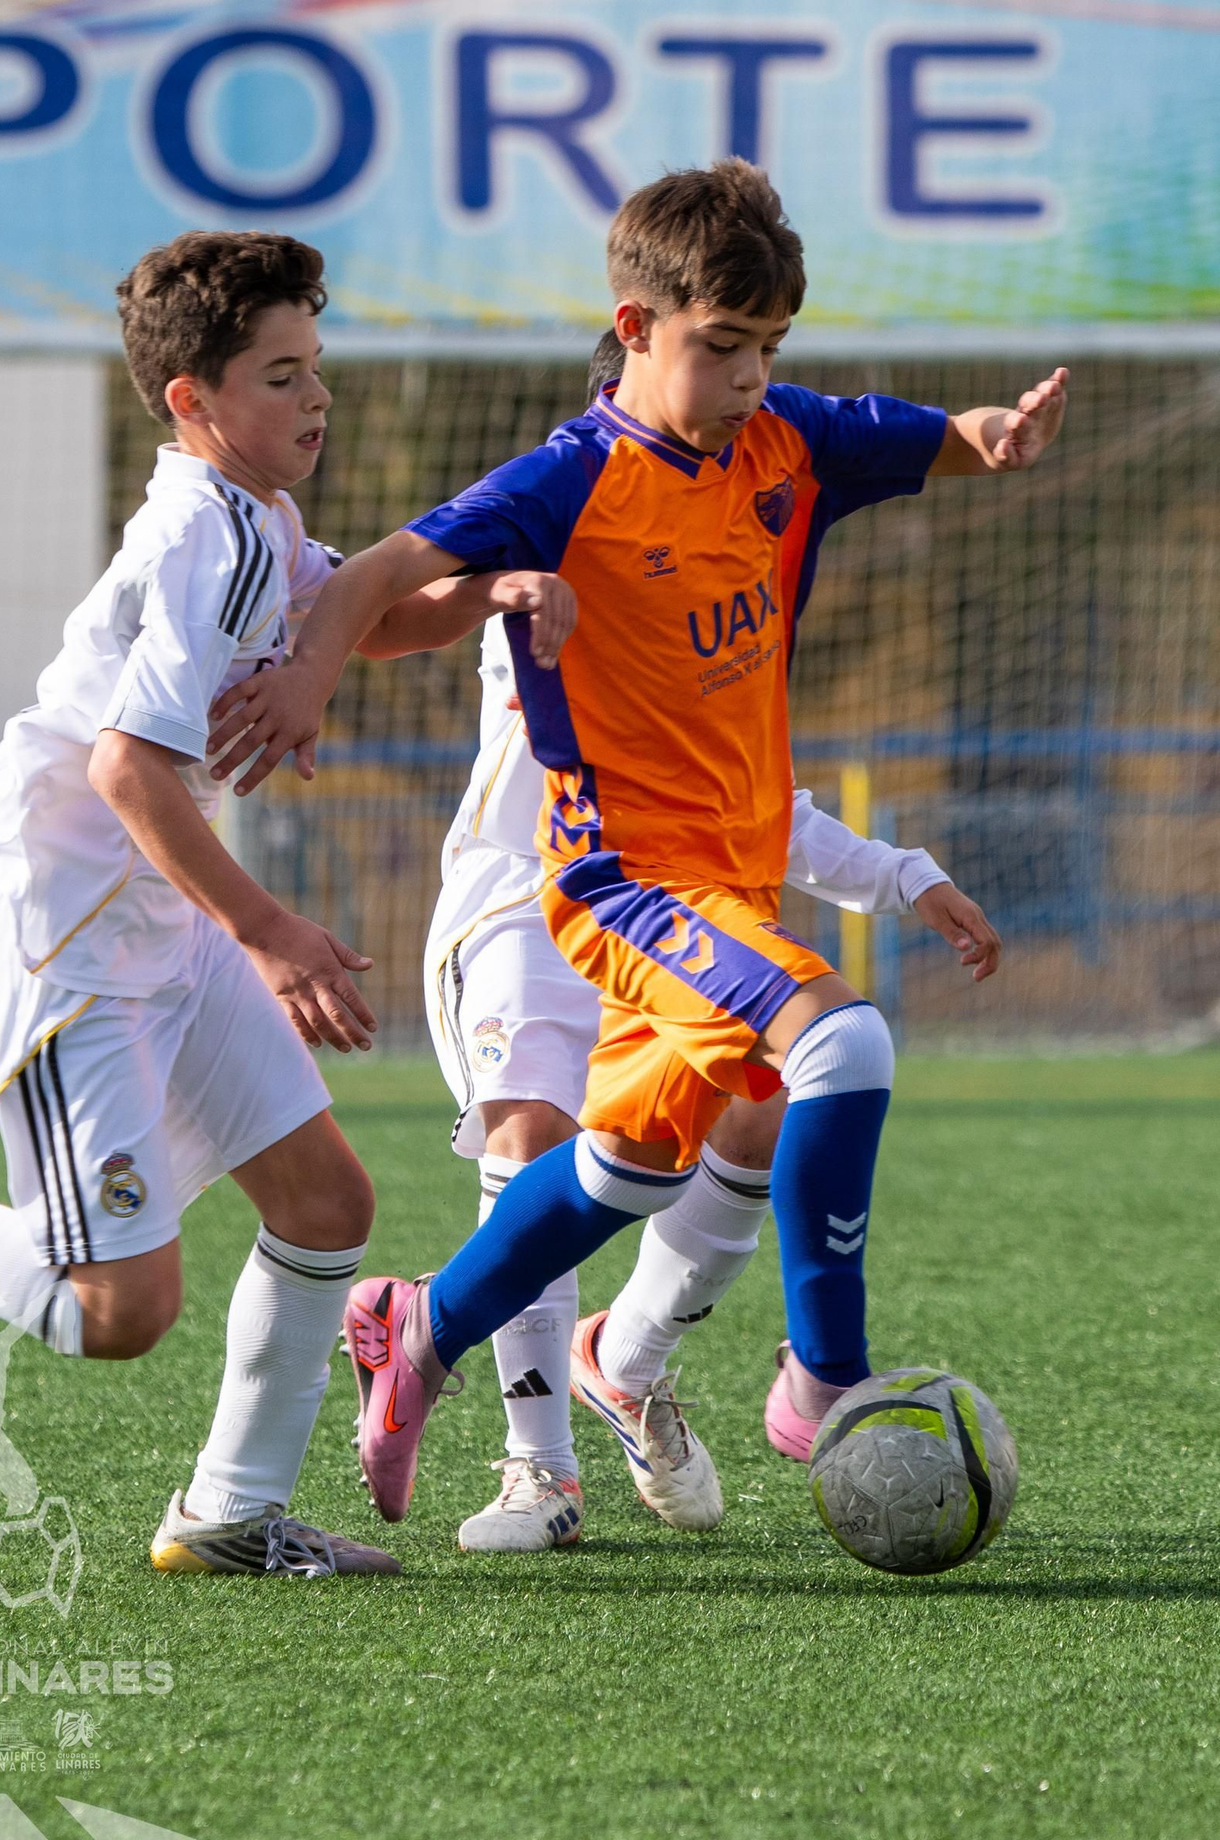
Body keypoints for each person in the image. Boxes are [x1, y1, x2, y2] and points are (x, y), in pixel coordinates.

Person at [0, 231, 564, 1577]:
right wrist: (270, 932)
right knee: (116, 1311)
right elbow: (125, 766)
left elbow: (361, 624)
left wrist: (496, 590)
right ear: (190, 399)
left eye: (317, 367)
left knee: (324, 1201)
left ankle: (229, 1516)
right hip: (74, 926)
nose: (315, 398)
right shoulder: (199, 534)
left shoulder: (260, 514)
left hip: (158, 911)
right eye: (279, 375)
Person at [204, 159, 1067, 1525]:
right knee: (842, 1042)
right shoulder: (574, 474)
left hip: (722, 880)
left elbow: (926, 437)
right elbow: (375, 580)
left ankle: (419, 1329)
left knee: (634, 1165)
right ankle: (826, 1389)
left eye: (768, 349)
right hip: (619, 885)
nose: (746, 378)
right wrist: (309, 675)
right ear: (635, 328)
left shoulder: (785, 442)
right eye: (721, 348)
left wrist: (986, 435)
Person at [426, 341, 1002, 1552]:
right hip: (529, 894)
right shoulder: (566, 535)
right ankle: (539, 1467)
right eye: (720, 364)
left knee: (752, 1114)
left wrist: (903, 874)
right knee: (534, 1125)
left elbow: (741, 792)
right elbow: (408, 602)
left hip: (674, 884)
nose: (738, 424)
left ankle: (625, 1361)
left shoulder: (715, 526)